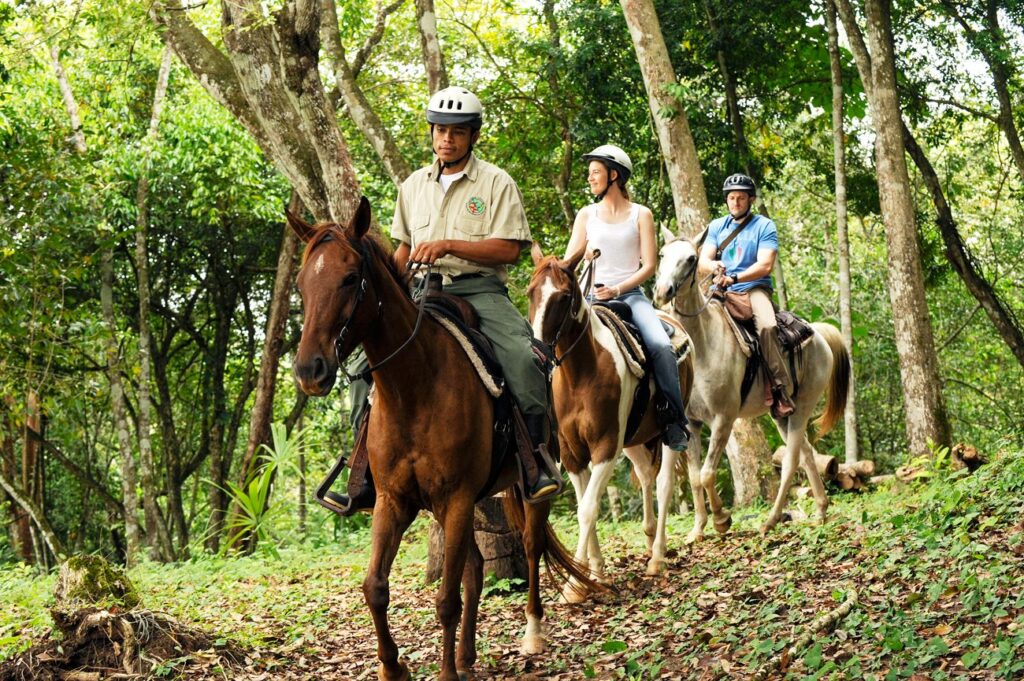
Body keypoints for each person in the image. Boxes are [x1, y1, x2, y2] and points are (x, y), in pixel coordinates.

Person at [324, 86, 561, 514]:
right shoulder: (413, 186)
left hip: (478, 290)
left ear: (472, 136)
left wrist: (449, 245)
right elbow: (402, 250)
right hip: (420, 293)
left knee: (524, 360)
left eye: (456, 132)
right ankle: (361, 473)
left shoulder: (495, 183)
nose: (446, 139)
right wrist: (387, 283)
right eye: (439, 131)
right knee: (363, 367)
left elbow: (509, 250)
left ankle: (535, 462)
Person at [563, 144, 690, 451]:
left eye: (596, 172)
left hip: (630, 296)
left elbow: (649, 266)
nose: (590, 178)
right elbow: (569, 262)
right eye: (590, 173)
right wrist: (583, 260)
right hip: (590, 298)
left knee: (661, 346)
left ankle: (673, 420)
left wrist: (618, 290)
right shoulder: (586, 215)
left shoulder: (641, 215)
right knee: (550, 345)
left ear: (614, 175)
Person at [699, 173, 794, 417]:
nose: (736, 202)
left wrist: (737, 278)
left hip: (753, 288)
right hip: (720, 290)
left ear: (750, 200)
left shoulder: (764, 226)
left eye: (741, 198)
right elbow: (703, 260)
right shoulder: (718, 226)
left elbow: (765, 265)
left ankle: (779, 387)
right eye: (731, 198)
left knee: (767, 327)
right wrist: (714, 268)